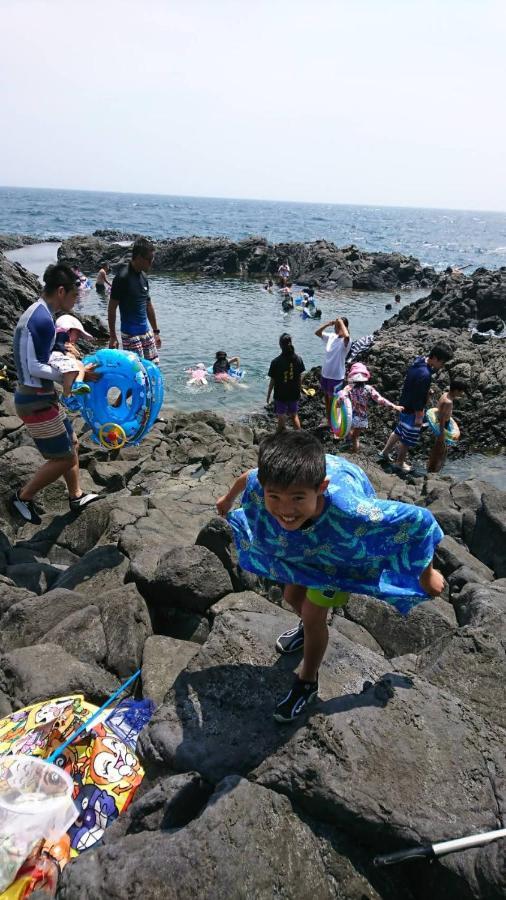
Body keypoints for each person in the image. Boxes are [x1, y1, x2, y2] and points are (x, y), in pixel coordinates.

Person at [216, 431, 444, 723]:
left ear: (320, 488)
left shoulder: (352, 511)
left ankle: (307, 682)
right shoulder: (264, 484)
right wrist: (226, 500)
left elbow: (420, 519)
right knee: (291, 596)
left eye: (297, 498)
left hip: (338, 554)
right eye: (275, 497)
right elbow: (249, 475)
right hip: (307, 544)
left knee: (313, 615)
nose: (285, 510)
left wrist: (427, 576)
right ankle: (309, 628)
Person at [11, 264, 101, 525]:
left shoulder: (44, 315)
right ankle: (22, 497)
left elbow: (46, 357)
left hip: (44, 398)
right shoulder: (40, 319)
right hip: (34, 401)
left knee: (72, 444)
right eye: (75, 294)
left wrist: (78, 366)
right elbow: (33, 367)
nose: (77, 298)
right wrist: (72, 373)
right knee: (61, 458)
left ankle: (76, 495)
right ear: (61, 291)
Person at [379, 343, 453, 472]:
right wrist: (419, 416)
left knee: (399, 430)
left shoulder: (419, 361)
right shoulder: (425, 375)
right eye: (442, 362)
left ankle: (385, 452)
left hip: (403, 403)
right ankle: (399, 462)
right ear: (435, 358)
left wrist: (425, 391)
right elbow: (418, 398)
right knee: (408, 437)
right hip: (413, 409)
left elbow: (415, 386)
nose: (442, 366)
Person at [108, 238, 161, 364]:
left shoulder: (143, 277)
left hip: (146, 332)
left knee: (154, 367)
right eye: (149, 259)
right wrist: (113, 336)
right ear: (138, 257)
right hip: (130, 334)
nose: (151, 263)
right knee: (138, 371)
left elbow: (148, 305)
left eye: (152, 259)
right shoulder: (122, 277)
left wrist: (156, 331)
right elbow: (112, 308)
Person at [337, 362, 403, 452]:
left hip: (350, 415)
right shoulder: (368, 388)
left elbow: (341, 396)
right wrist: (394, 406)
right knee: (356, 437)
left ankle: (352, 449)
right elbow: (380, 400)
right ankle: (354, 450)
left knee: (349, 431)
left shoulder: (349, 388)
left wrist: (337, 404)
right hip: (362, 417)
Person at [314, 316, 351, 427]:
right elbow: (317, 332)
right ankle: (328, 420)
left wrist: (340, 322)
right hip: (325, 374)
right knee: (326, 397)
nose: (336, 328)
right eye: (335, 326)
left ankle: (338, 422)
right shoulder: (331, 337)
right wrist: (328, 324)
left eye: (338, 326)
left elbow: (347, 336)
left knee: (337, 401)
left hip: (336, 377)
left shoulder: (346, 342)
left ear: (344, 327)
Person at [427, 377, 467, 473]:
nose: (462, 394)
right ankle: (434, 472)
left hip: (441, 424)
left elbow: (437, 410)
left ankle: (431, 469)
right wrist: (442, 434)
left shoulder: (445, 394)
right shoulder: (448, 402)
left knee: (438, 449)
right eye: (462, 391)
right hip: (442, 426)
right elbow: (442, 418)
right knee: (441, 451)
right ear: (456, 391)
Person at [49, 314, 94, 398]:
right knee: (73, 369)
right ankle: (66, 395)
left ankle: (78, 383)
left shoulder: (66, 340)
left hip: (60, 359)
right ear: (69, 330)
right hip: (56, 358)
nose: (78, 338)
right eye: (77, 334)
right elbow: (58, 345)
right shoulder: (62, 333)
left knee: (80, 364)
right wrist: (67, 353)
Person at [266, 334, 305, 431]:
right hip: (294, 393)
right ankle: (299, 436)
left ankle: (279, 436)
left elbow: (272, 381)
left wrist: (268, 394)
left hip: (280, 394)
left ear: (280, 345)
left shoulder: (275, 362)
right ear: (291, 343)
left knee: (281, 417)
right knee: (294, 415)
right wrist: (299, 390)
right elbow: (300, 377)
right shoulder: (298, 359)